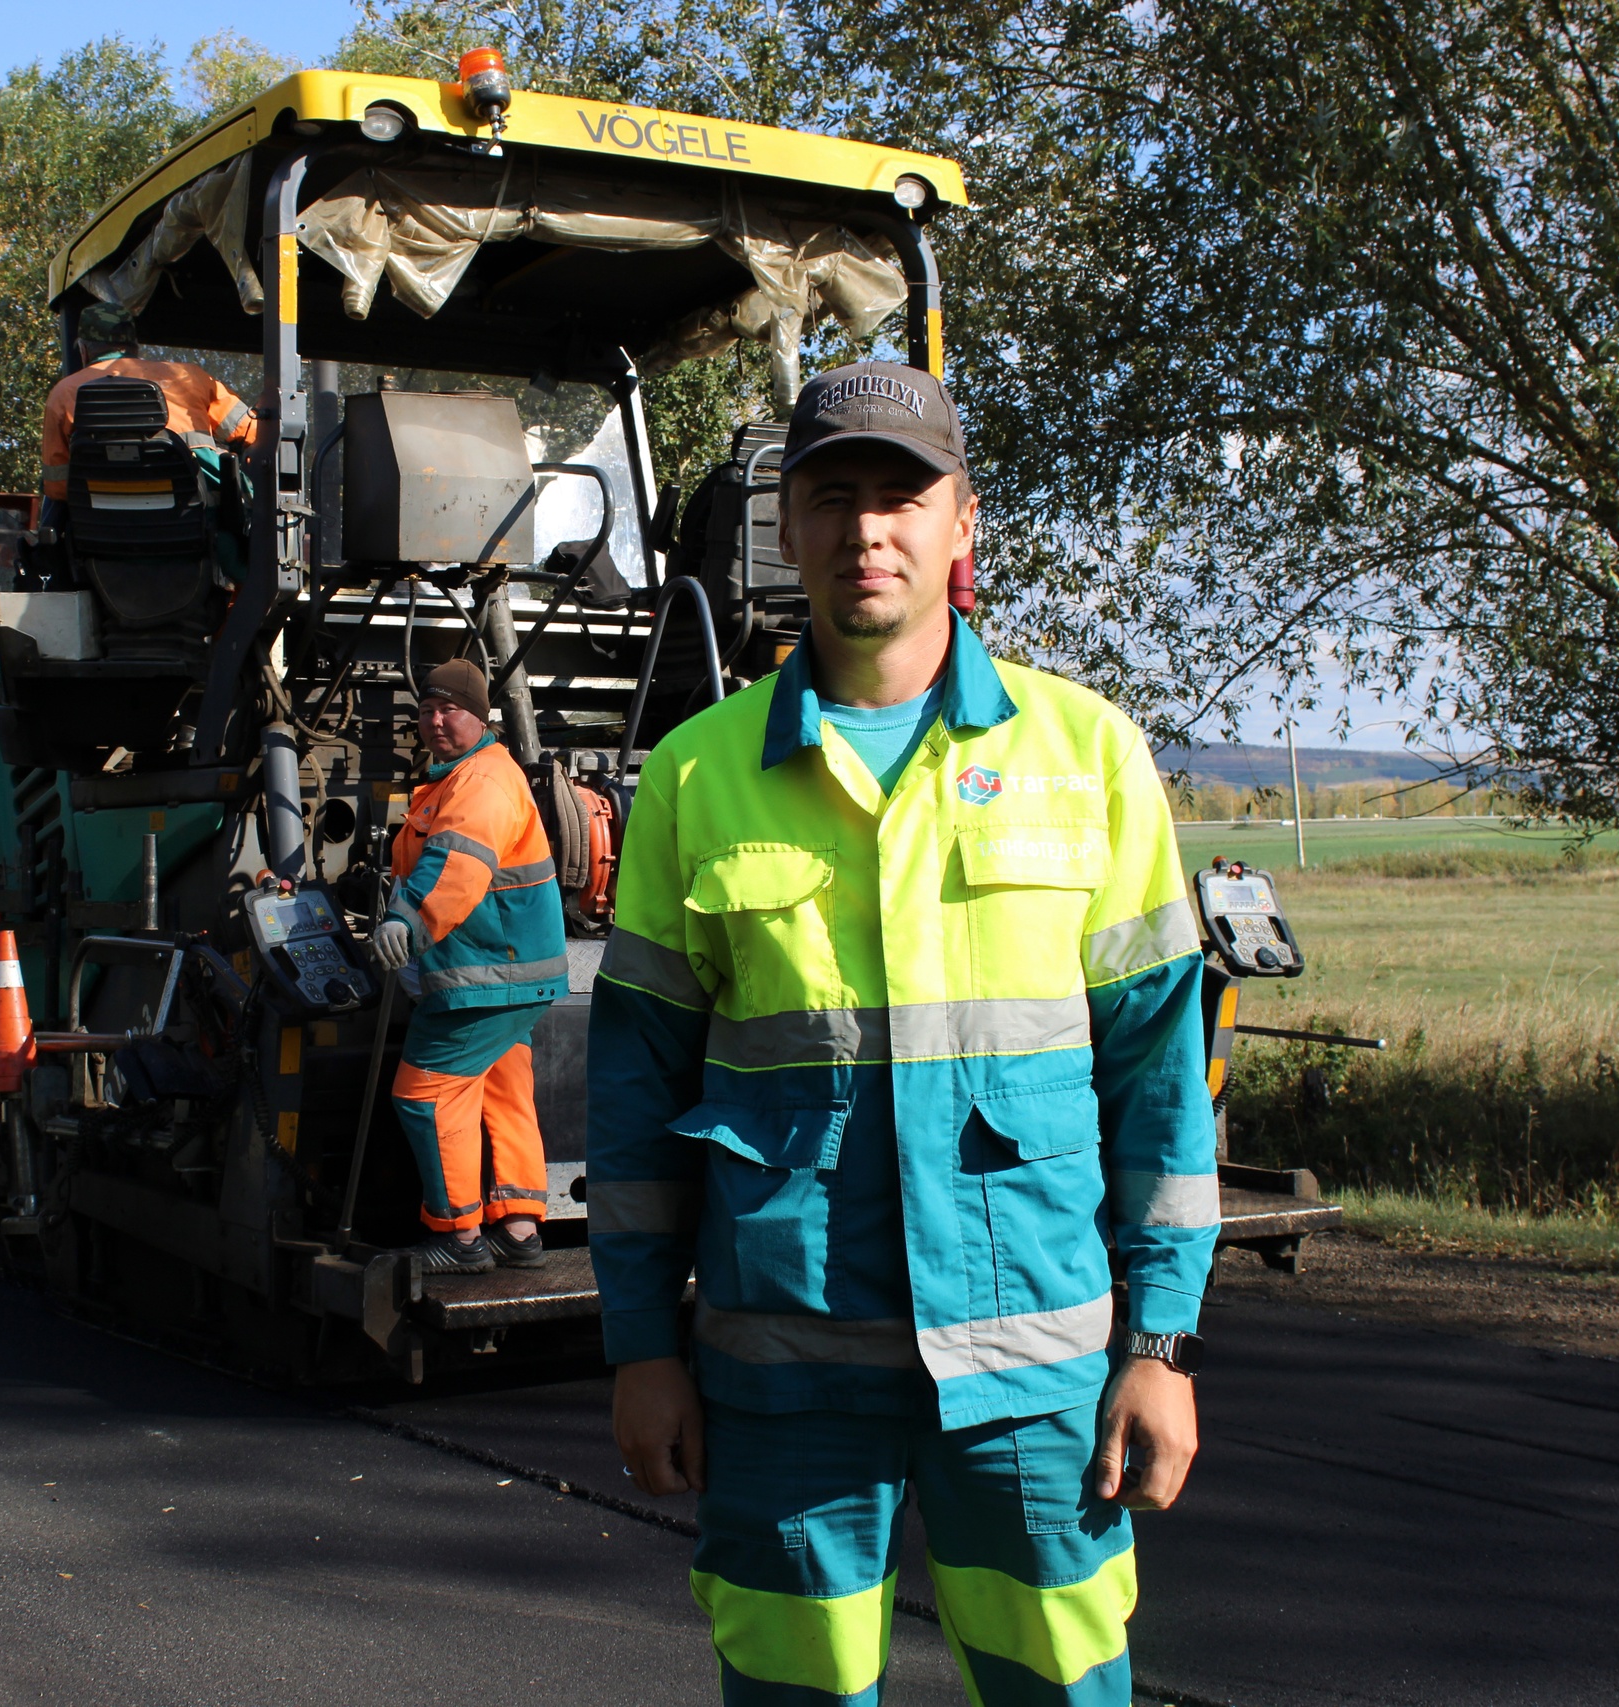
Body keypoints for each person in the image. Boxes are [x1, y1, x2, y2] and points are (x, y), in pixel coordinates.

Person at [588, 363, 1217, 1706]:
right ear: (790, 529)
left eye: (900, 496)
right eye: (832, 498)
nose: (867, 529)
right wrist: (642, 1345)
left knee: (1062, 1685)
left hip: (1036, 1380)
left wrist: (1159, 1348)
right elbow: (635, 1098)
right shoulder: (694, 777)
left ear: (961, 524)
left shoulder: (1085, 755)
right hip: (782, 1380)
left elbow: (1164, 1079)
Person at [370, 659, 570, 1273]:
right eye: (426, 711)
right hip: (508, 971)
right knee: (501, 1088)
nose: (434, 721)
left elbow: (456, 865)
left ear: (479, 716)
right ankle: (518, 1229)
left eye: (448, 710)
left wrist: (408, 923)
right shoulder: (463, 773)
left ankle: (457, 1237)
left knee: (424, 1093)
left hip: (485, 974)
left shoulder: (479, 782)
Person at [40, 301, 260, 529]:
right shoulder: (190, 378)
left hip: (103, 537)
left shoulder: (63, 394)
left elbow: (56, 486)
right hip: (193, 530)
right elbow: (253, 432)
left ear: (84, 350)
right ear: (134, 347)